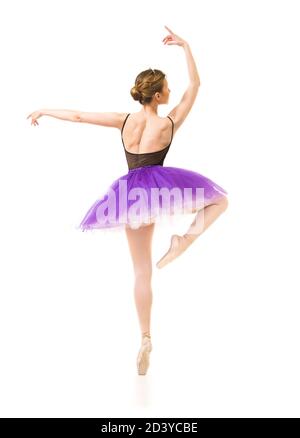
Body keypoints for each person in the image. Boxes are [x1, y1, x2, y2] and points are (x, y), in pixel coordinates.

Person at [26, 25, 229, 376]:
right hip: (162, 186)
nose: (171, 90)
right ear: (159, 95)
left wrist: (44, 109)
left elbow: (78, 116)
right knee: (219, 201)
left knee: (141, 270)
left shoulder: (124, 121)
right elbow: (195, 87)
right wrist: (186, 47)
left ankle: (146, 336)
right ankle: (183, 240)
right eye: (167, 87)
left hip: (130, 196)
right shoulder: (169, 122)